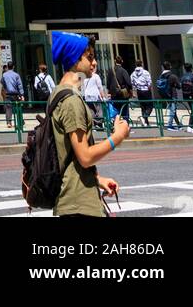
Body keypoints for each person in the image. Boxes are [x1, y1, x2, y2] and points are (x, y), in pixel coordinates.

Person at [48, 31, 128, 217]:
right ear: (75, 59)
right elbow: (84, 156)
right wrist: (118, 136)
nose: (94, 62)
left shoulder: (57, 94)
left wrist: (98, 179)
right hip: (79, 201)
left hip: (74, 196)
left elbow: (69, 154)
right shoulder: (72, 101)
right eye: (89, 57)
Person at [107, 55, 133, 125]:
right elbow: (128, 82)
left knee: (115, 108)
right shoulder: (123, 71)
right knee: (124, 109)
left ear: (115, 61)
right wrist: (130, 90)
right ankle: (125, 125)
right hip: (123, 94)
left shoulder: (110, 70)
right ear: (122, 61)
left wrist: (109, 91)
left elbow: (108, 83)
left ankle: (114, 124)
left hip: (114, 94)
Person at [82, 58, 106, 130]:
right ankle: (98, 124)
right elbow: (100, 88)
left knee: (91, 111)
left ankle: (93, 125)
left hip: (87, 96)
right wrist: (103, 96)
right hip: (95, 96)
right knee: (99, 110)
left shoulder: (85, 77)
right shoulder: (96, 76)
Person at [158, 62, 182, 129]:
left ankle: (178, 124)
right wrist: (174, 85)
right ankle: (170, 125)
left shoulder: (161, 76)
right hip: (172, 95)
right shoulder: (172, 76)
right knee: (173, 110)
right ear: (170, 66)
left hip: (165, 95)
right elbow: (179, 86)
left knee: (172, 110)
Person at [0, 61, 24, 129]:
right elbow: (20, 85)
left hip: (7, 94)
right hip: (15, 94)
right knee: (18, 108)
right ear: (13, 67)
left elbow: (2, 82)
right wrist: (22, 95)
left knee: (8, 108)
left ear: (7, 67)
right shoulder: (16, 75)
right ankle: (20, 122)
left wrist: (5, 87)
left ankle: (9, 123)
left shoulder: (4, 75)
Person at [130, 59, 154, 126]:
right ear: (142, 64)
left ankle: (146, 122)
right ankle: (144, 118)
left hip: (139, 91)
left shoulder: (133, 73)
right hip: (146, 90)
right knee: (150, 106)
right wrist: (149, 88)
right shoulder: (145, 72)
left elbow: (132, 83)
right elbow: (149, 82)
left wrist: (135, 89)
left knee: (143, 106)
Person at [181, 63, 193, 128]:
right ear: (191, 68)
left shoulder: (183, 77)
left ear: (185, 69)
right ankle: (190, 125)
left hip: (186, 95)